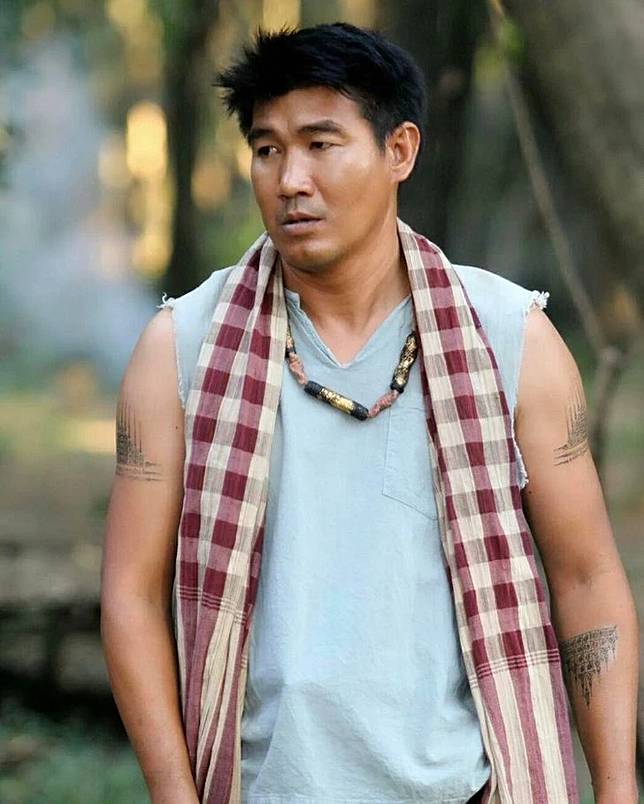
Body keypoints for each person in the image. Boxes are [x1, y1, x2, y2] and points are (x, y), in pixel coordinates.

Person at [100, 22, 639, 804]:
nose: (291, 179)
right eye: (267, 149)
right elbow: (131, 595)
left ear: (400, 151)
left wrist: (618, 791)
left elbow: (587, 579)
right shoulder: (181, 348)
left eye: (321, 144)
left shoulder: (509, 338)